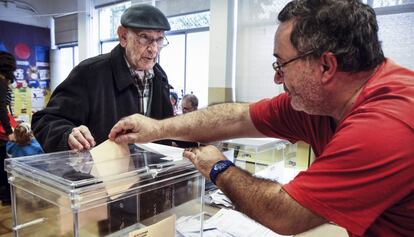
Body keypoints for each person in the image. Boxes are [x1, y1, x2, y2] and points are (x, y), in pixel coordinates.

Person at [108, 0, 414, 236]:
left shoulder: (386, 126)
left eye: (282, 64)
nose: (278, 79)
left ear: (326, 66)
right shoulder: (325, 101)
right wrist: (157, 128)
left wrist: (219, 167)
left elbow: (285, 214)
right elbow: (238, 117)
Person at [31, 4, 174, 152]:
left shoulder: (159, 76)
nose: (154, 49)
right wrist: (68, 134)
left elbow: (164, 131)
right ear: (123, 36)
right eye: (144, 38)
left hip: (151, 172)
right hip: (101, 172)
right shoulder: (90, 73)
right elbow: (45, 121)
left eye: (159, 40)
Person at [0, 51, 16, 205]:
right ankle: (6, 197)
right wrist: (10, 131)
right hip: (1, 134)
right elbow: (1, 109)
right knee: (3, 163)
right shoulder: (2, 82)